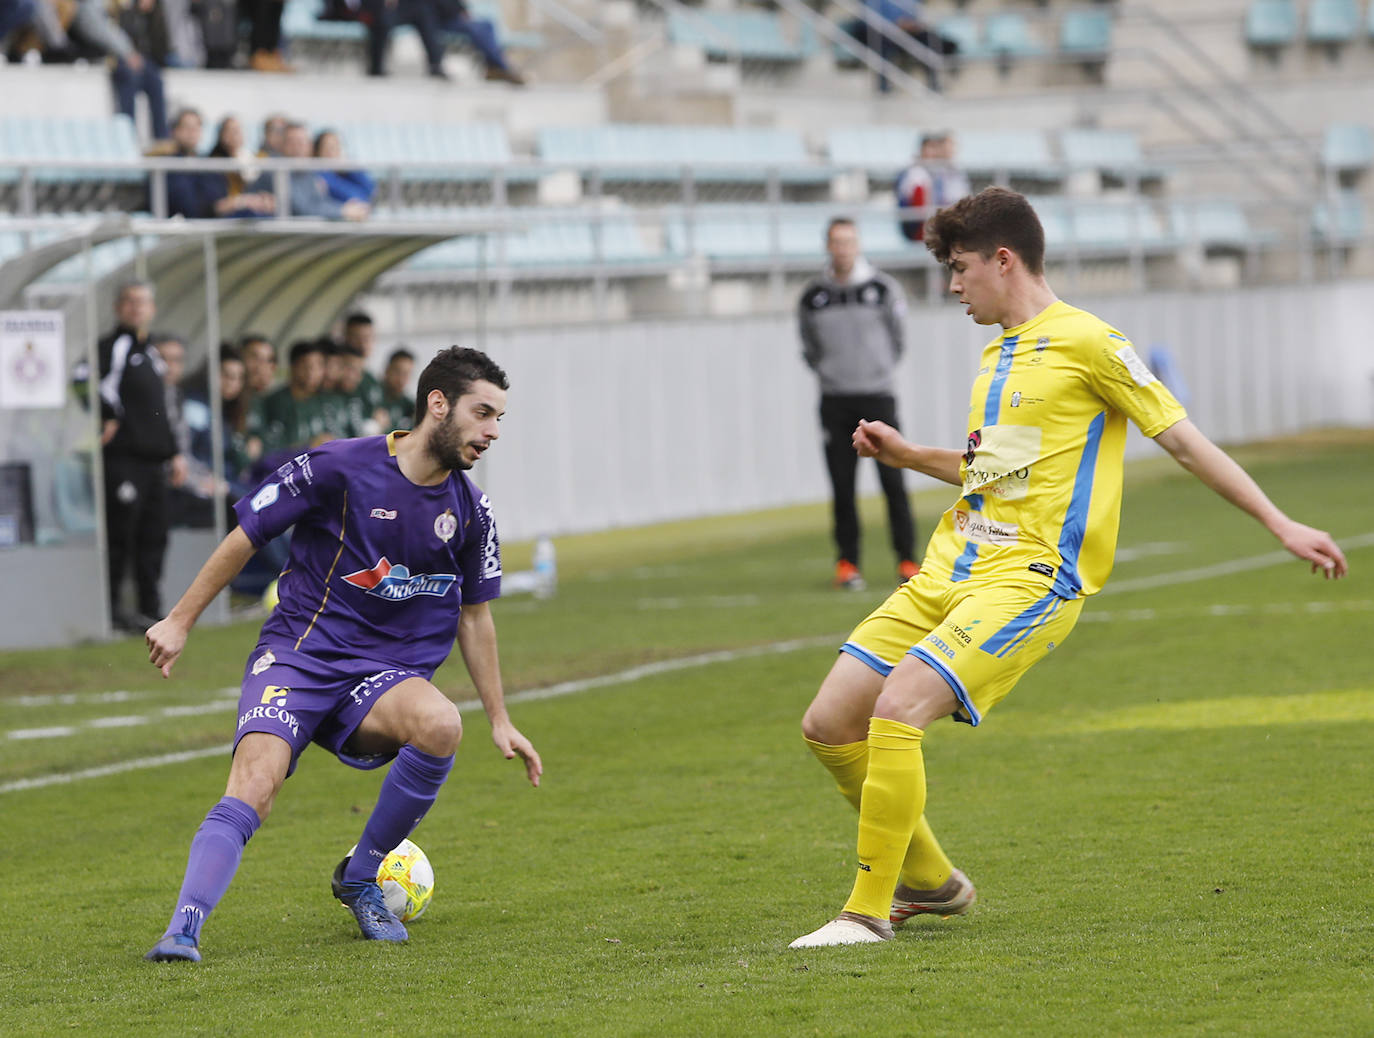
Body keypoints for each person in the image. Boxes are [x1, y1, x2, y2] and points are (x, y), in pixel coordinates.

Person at [788, 187, 1348, 949]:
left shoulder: (1092, 343)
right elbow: (1002, 471)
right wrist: (909, 453)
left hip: (1032, 577)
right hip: (953, 570)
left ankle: (865, 911)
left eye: (959, 269)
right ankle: (931, 883)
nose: (953, 286)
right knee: (828, 724)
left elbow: (1181, 438)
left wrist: (1279, 522)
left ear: (1004, 260)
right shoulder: (997, 354)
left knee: (896, 712)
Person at [142, 346, 541, 962]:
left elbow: (475, 614)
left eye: (499, 419)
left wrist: (500, 718)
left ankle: (362, 874)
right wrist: (180, 620)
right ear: (438, 404)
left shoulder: (471, 511)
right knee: (255, 784)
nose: (491, 432)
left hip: (383, 679)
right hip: (300, 657)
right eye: (482, 413)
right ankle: (183, 929)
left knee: (440, 723)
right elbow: (248, 534)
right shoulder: (338, 466)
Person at [799, 217, 918, 592]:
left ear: (858, 245)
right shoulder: (812, 296)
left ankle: (908, 559)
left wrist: (876, 370)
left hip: (877, 395)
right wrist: (834, 373)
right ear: (827, 246)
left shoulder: (883, 289)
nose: (843, 249)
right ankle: (848, 563)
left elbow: (899, 340)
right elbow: (809, 347)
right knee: (842, 485)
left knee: (893, 480)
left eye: (849, 241)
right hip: (835, 400)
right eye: (837, 242)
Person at [96, 282, 185, 630]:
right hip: (124, 460)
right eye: (130, 302)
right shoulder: (113, 347)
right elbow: (86, 380)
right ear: (119, 308)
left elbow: (160, 408)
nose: (136, 309)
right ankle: (114, 609)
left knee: (154, 536)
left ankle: (151, 608)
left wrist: (175, 453)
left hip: (155, 463)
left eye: (143, 303)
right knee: (122, 535)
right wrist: (106, 414)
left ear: (152, 309)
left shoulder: (151, 353)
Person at [363, 0, 525, 84]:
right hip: (440, 18)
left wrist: (462, 10)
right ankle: (501, 66)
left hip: (450, 16)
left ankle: (495, 66)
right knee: (475, 29)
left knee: (486, 24)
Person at [250, 337, 330, 453]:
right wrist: (308, 446)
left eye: (318, 366)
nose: (312, 372)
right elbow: (271, 449)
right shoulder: (275, 402)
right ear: (293, 367)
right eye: (306, 366)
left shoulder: (323, 401)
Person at [280, 122, 370, 221]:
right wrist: (343, 210)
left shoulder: (309, 172)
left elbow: (366, 191)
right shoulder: (277, 172)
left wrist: (348, 165)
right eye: (292, 142)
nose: (297, 147)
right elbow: (303, 207)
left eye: (302, 142)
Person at [895, 131, 969, 243]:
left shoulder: (950, 171)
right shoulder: (916, 173)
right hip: (920, 228)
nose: (932, 153)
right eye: (930, 148)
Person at [314, 129, 376, 206]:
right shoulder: (318, 174)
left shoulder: (343, 171)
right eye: (328, 147)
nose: (332, 152)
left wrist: (349, 166)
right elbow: (354, 197)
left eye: (336, 146)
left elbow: (370, 188)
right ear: (318, 151)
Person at [377, 347, 415, 431]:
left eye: (406, 374)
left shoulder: (407, 403)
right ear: (387, 370)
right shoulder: (372, 394)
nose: (401, 379)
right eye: (398, 372)